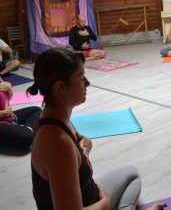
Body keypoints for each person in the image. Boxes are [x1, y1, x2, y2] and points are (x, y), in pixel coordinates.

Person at [27, 48, 142, 210]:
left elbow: (74, 151)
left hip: (87, 195)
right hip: (91, 203)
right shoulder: (57, 141)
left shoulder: (54, 117)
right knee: (132, 177)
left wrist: (83, 149)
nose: (88, 83)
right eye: (81, 78)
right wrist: (105, 202)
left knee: (131, 173)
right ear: (60, 88)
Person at [0, 76, 41, 149]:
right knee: (26, 136)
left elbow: (7, 98)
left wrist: (9, 89)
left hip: (9, 117)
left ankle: (28, 130)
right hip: (3, 119)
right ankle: (28, 132)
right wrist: (5, 113)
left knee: (36, 110)